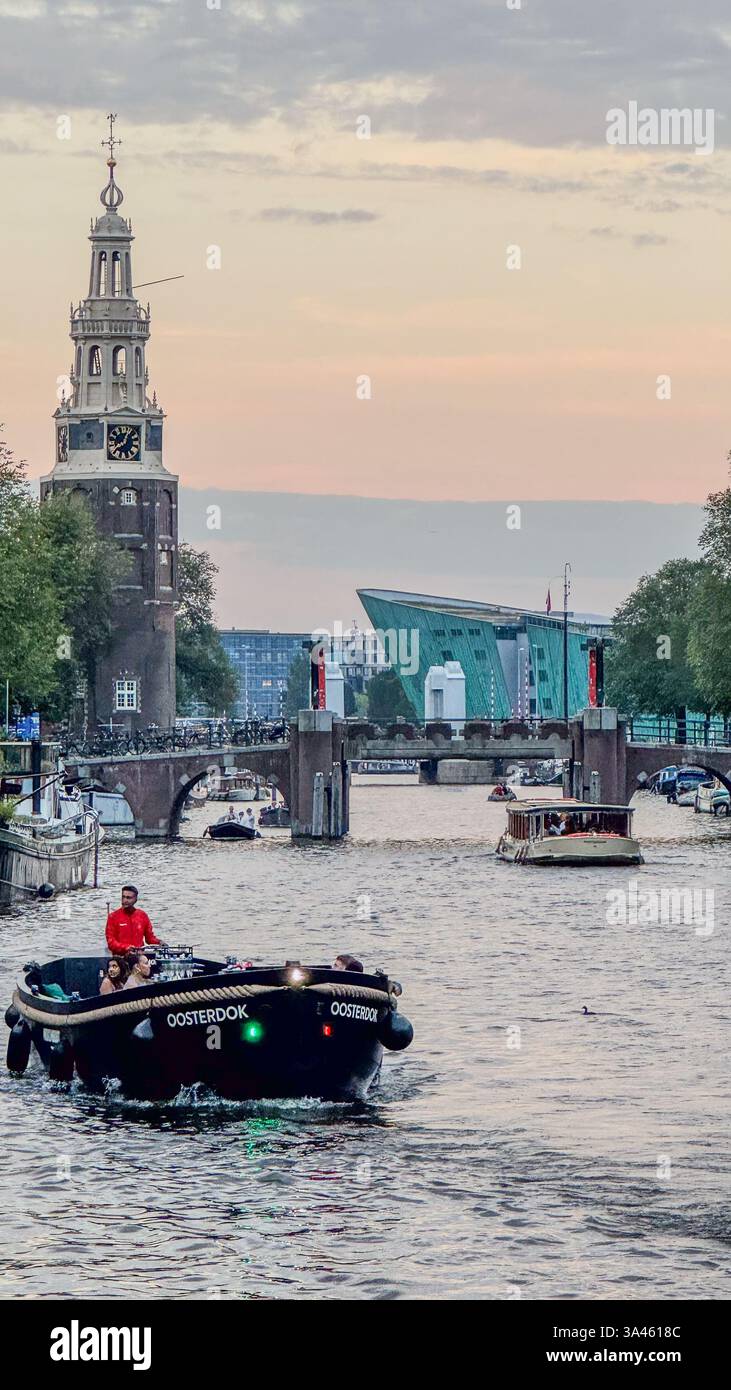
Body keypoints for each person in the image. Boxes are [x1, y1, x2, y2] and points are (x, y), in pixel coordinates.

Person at [105, 886, 162, 956]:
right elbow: (111, 942)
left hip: (140, 956)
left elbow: (149, 938)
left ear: (135, 899)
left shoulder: (142, 915)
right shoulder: (113, 917)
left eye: (129, 898)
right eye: (123, 897)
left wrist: (160, 942)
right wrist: (126, 947)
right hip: (120, 957)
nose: (125, 900)